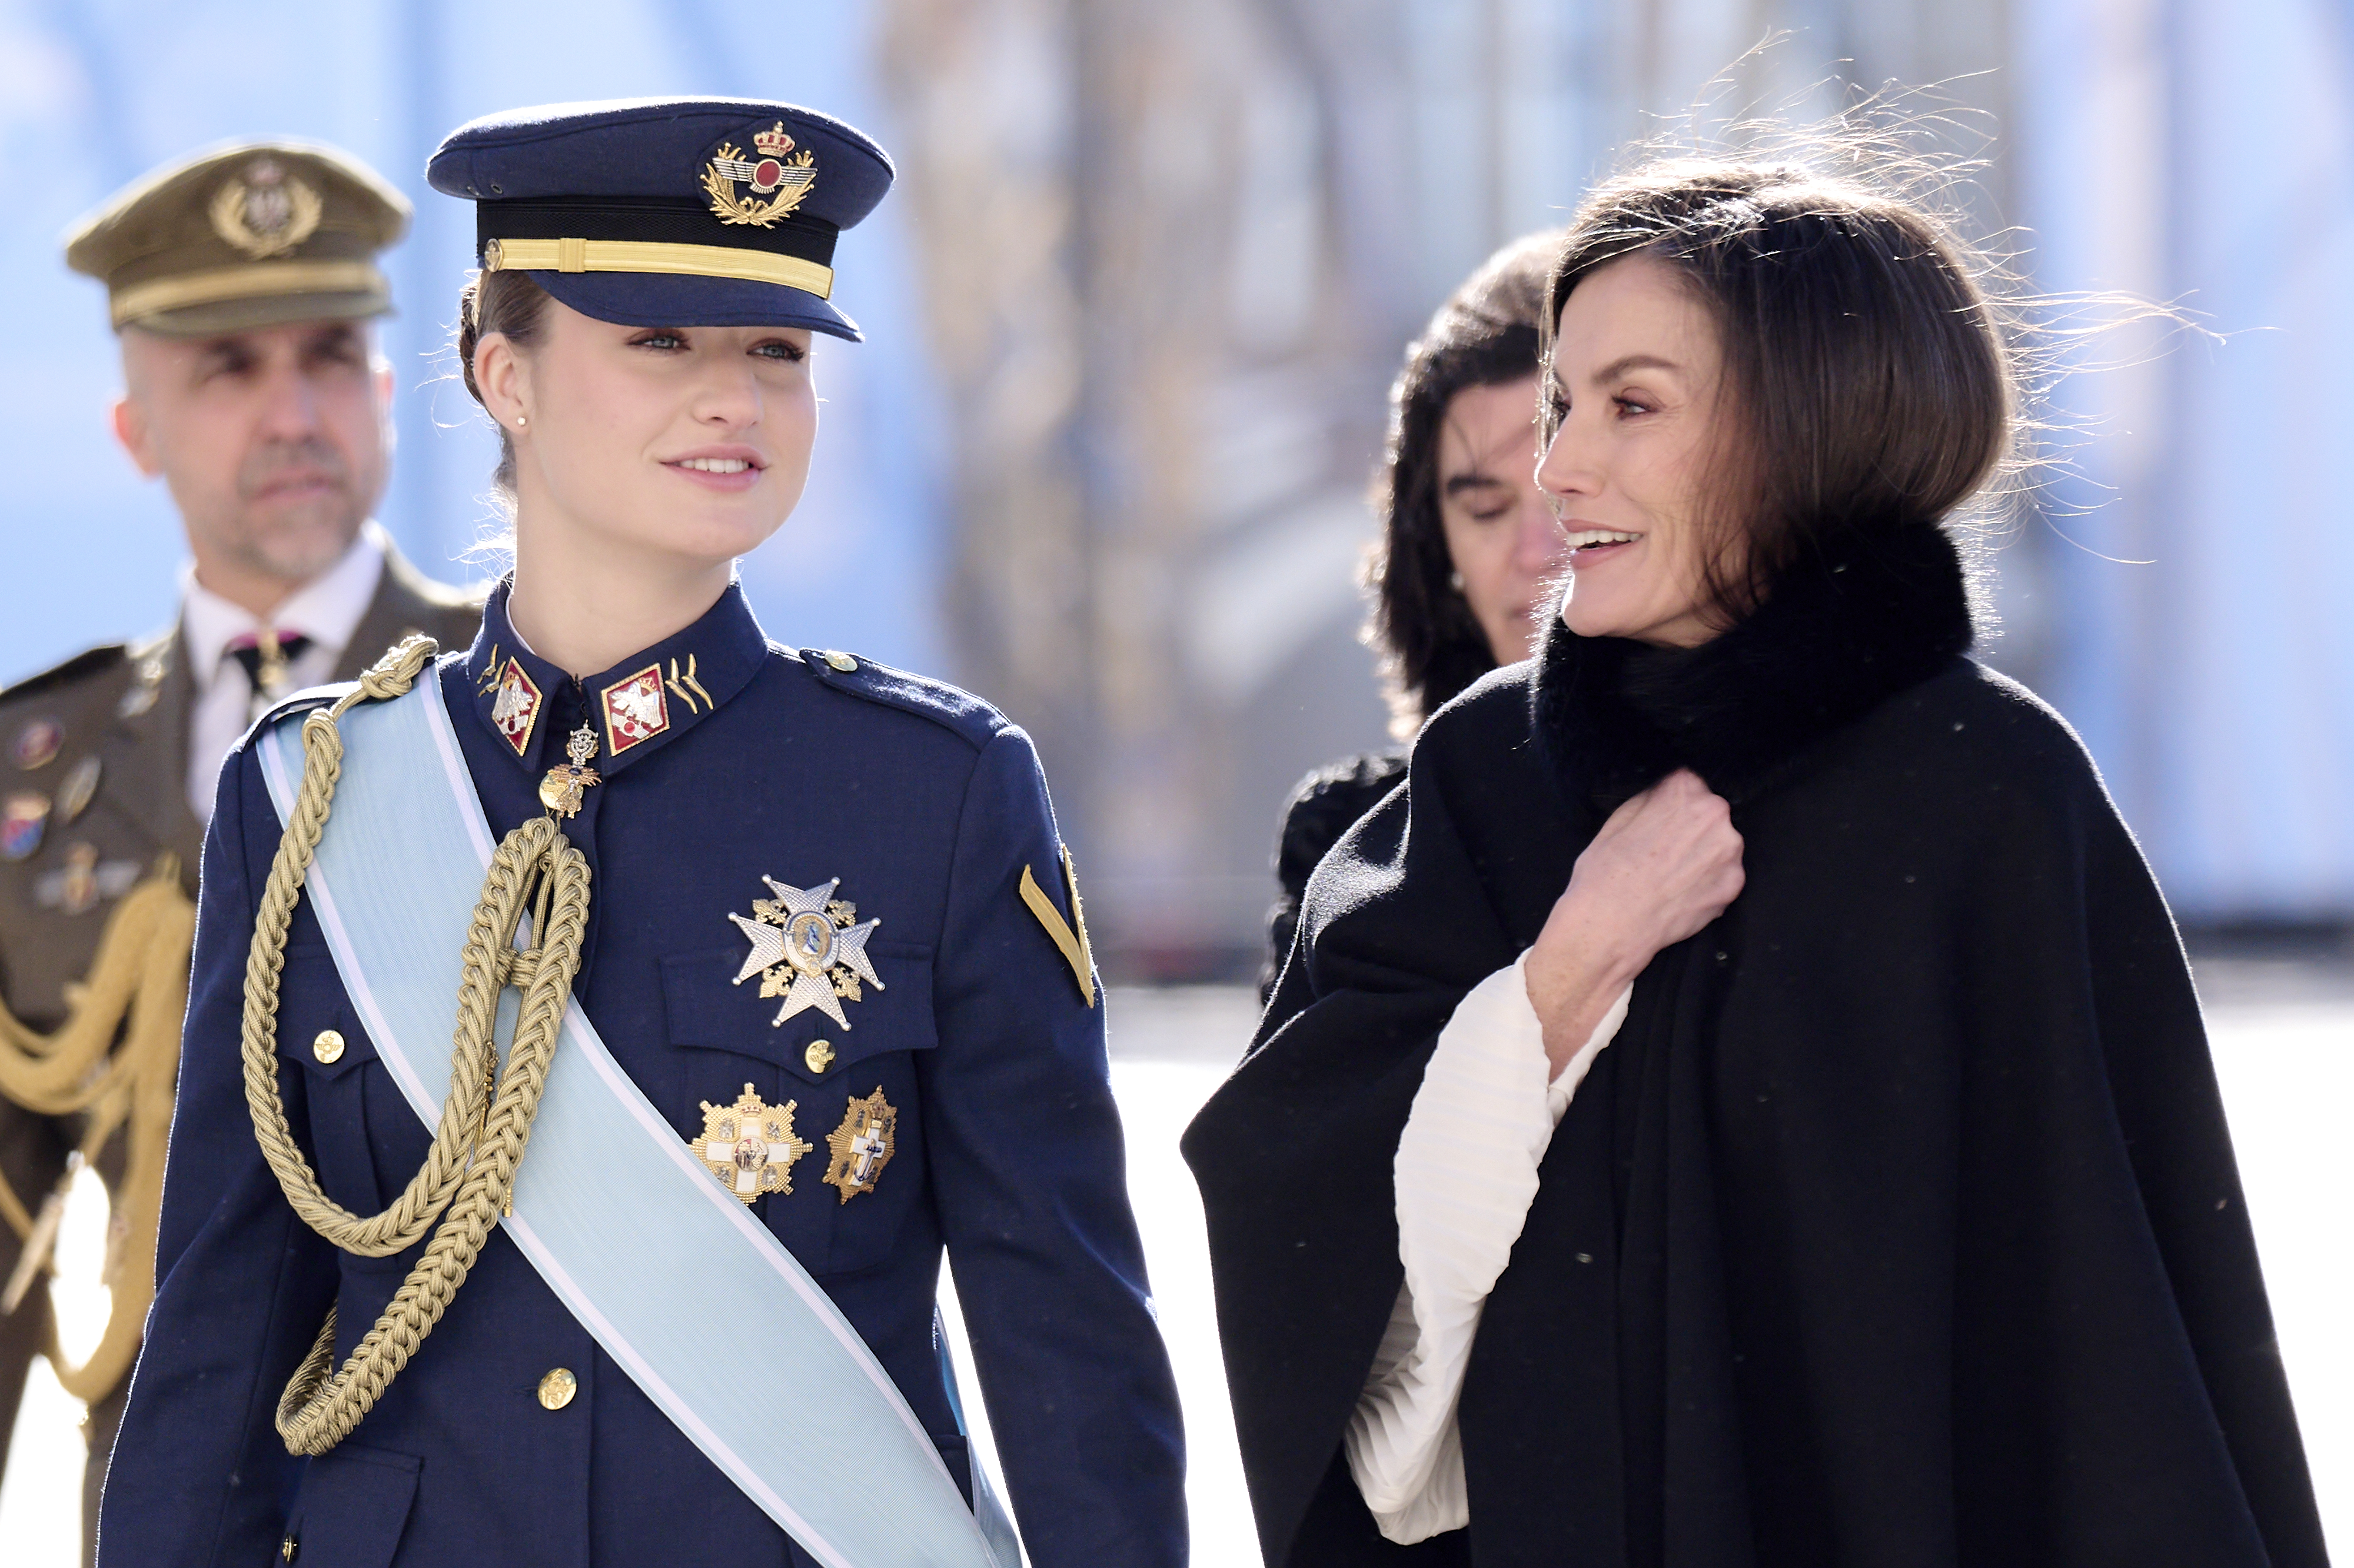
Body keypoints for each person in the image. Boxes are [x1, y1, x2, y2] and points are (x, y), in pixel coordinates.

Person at [1184, 151, 2328, 1566]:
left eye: (1630, 405)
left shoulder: (1988, 804)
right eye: (1560, 402)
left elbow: (2113, 1392)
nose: (1557, 470)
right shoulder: (1484, 782)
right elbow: (1349, 1368)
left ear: (1803, 429)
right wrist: (1560, 978)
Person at [97, 99, 1185, 1568]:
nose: (732, 398)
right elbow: (216, 1356)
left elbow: (1067, 1346)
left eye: (776, 353)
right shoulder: (315, 797)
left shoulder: (937, 793)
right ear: (505, 376)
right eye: (660, 343)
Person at [0, 138, 481, 1562]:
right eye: (227, 369)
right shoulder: (43, 774)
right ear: (134, 428)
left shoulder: (528, 704)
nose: (293, 413)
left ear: (388, 397)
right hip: (161, 1511)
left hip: (484, 1502)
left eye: (330, 357)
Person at [1264, 234, 1568, 998]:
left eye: (1569, 494)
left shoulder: (1766, 811)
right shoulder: (1351, 845)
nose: (1536, 550)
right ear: (1436, 552)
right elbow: (1293, 1118)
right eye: (1487, 506)